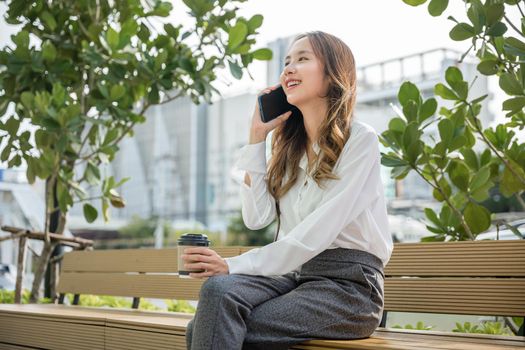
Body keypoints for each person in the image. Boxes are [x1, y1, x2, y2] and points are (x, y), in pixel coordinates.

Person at [182, 30, 393, 350]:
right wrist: (256, 137)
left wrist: (233, 264)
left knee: (205, 327)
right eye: (287, 62)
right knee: (217, 293)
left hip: (349, 288)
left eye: (303, 59)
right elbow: (257, 217)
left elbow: (317, 233)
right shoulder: (289, 150)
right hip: (294, 277)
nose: (288, 69)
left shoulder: (360, 140)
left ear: (333, 73)